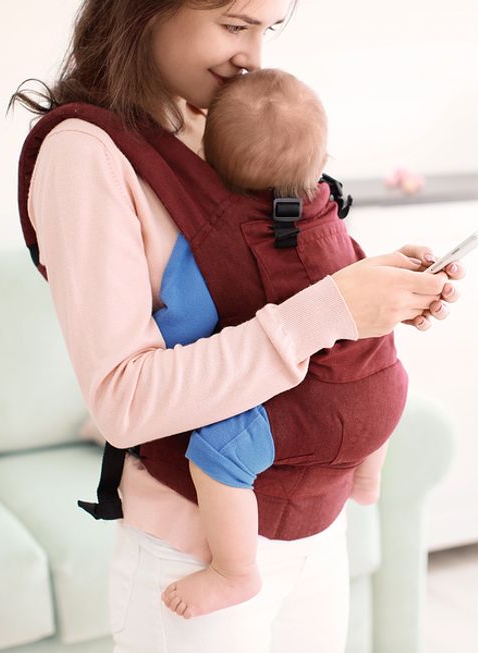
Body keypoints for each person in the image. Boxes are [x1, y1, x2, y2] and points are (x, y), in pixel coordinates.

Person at [9, 1, 467, 650]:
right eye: (233, 24)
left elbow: (274, 287)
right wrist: (332, 310)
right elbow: (124, 400)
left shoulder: (229, 118)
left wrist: (379, 292)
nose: (253, 54)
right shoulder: (87, 153)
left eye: (267, 29)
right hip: (194, 553)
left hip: (316, 528)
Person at [153, 67, 397, 620]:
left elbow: (180, 326)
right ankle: (368, 474)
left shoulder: (212, 243)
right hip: (384, 399)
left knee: (216, 452)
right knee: (377, 367)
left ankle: (233, 572)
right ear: (324, 163)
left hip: (311, 414)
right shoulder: (334, 220)